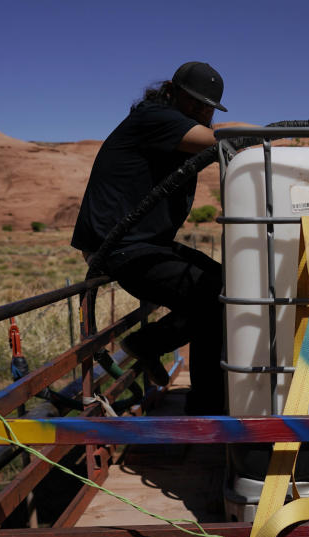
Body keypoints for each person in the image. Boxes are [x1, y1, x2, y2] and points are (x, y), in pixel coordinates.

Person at [71, 61, 227, 415]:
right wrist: (267, 135)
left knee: (226, 287)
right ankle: (146, 345)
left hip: (143, 244)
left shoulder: (172, 129)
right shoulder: (155, 118)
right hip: (120, 248)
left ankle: (205, 400)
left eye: (208, 108)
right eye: (195, 103)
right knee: (215, 296)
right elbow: (224, 138)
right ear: (171, 92)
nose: (202, 113)